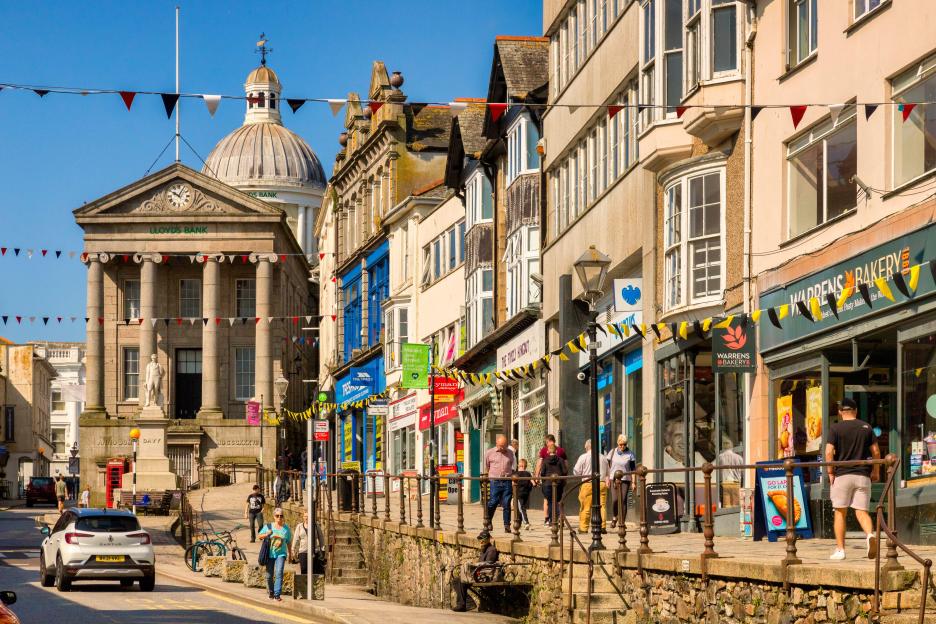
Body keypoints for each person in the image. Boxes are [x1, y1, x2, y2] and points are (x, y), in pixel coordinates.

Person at [826, 397, 880, 561]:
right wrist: (875, 471)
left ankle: (840, 550)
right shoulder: (866, 427)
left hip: (842, 475)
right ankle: (870, 535)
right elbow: (876, 452)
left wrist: (830, 472)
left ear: (840, 412)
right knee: (862, 511)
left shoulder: (835, 428)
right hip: (862, 475)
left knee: (840, 512)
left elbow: (829, 452)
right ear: (855, 411)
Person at [451, 530, 499, 612]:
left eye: (483, 539)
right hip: (479, 574)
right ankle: (468, 602)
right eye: (480, 539)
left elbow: (488, 565)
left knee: (462, 581)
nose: (481, 541)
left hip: (485, 576)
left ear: (488, 539)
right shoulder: (484, 549)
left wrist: (475, 566)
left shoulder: (491, 550)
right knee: (456, 580)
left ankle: (461, 605)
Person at [573, 440, 608, 533]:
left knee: (585, 507)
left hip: (588, 483)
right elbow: (607, 472)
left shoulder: (583, 457)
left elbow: (576, 471)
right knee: (602, 506)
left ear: (587, 447)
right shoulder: (603, 457)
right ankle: (602, 526)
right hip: (601, 483)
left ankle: (583, 528)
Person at [258, 508, 292, 601]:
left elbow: (288, 542)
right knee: (269, 576)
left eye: (281, 516)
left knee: (279, 572)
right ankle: (271, 592)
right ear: (274, 517)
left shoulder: (286, 529)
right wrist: (267, 534)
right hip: (270, 554)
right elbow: (259, 536)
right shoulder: (269, 526)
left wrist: (290, 554)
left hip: (281, 554)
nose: (279, 517)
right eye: (277, 516)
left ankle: (277, 595)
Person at [483, 435, 515, 533]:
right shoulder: (489, 452)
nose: (502, 448)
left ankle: (507, 525)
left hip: (507, 480)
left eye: (504, 446)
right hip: (495, 480)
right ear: (496, 443)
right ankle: (488, 521)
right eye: (500, 446)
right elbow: (487, 466)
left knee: (506, 503)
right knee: (493, 502)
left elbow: (512, 465)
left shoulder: (510, 453)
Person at [535, 435, 567, 525]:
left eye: (546, 442)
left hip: (547, 482)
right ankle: (559, 518)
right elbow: (565, 465)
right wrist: (564, 478)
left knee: (548, 500)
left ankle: (549, 519)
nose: (546, 444)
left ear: (549, 441)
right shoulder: (561, 451)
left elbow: (540, 465)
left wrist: (537, 477)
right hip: (559, 481)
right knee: (558, 501)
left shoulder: (544, 452)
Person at [606, 435, 637, 528]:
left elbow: (633, 469)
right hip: (613, 479)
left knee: (623, 500)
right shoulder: (612, 452)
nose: (622, 446)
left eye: (624, 444)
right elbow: (608, 467)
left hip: (625, 479)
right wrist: (607, 478)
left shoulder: (630, 454)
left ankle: (622, 522)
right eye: (621, 444)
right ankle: (615, 517)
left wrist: (633, 482)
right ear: (617, 443)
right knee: (615, 500)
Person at [291, 510, 326, 575]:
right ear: (303, 517)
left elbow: (321, 538)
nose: (306, 518)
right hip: (303, 552)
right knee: (304, 570)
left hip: (314, 552)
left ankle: (313, 582)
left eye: (308, 516)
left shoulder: (316, 526)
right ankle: (305, 582)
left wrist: (323, 549)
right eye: (305, 516)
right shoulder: (299, 526)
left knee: (313, 571)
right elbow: (296, 539)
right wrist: (293, 549)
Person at [513, 459, 533, 529]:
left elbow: (513, 483)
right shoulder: (528, 473)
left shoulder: (516, 474)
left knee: (521, 508)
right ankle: (519, 523)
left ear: (518, 465)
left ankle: (526, 522)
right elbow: (533, 482)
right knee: (521, 507)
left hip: (518, 493)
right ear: (526, 466)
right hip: (526, 493)